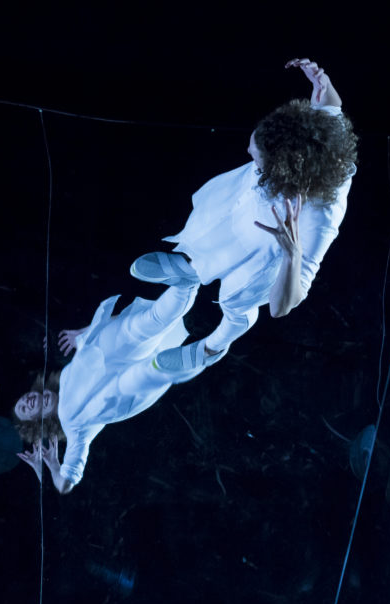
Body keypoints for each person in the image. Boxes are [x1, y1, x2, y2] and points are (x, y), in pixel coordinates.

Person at [132, 58, 359, 372]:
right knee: (214, 228)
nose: (249, 153)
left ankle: (213, 347)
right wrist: (323, 83)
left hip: (264, 253)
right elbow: (332, 106)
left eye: (258, 157)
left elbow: (283, 307)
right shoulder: (317, 136)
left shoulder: (321, 216)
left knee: (235, 303)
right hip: (248, 204)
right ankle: (193, 268)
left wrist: (291, 255)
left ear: (285, 171)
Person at [15, 274, 202, 494]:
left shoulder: (65, 376)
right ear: (41, 422)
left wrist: (83, 333)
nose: (28, 400)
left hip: (113, 347)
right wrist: (54, 465)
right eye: (26, 409)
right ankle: (198, 354)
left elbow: (102, 330)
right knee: (142, 376)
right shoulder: (74, 426)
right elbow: (65, 485)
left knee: (150, 320)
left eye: (25, 398)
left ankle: (189, 278)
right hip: (126, 382)